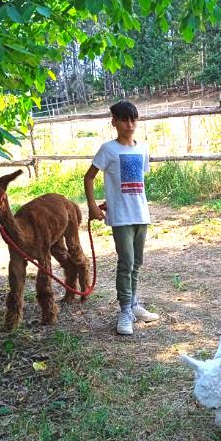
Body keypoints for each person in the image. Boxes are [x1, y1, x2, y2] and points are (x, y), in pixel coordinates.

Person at [84, 100, 159, 335]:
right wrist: (93, 206)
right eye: (124, 119)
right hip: (121, 217)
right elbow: (89, 177)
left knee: (137, 262)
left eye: (133, 119)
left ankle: (134, 303)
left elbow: (136, 183)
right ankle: (124, 310)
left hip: (140, 214)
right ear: (114, 122)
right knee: (126, 262)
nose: (129, 124)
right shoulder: (108, 150)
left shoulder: (143, 148)